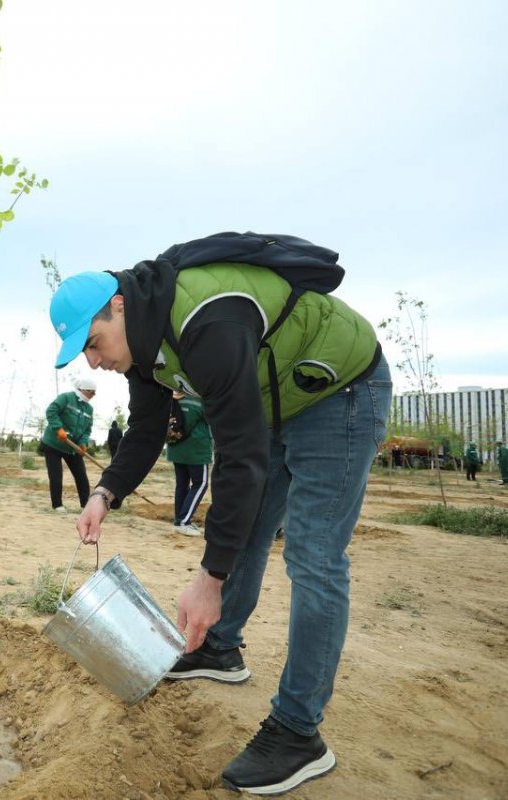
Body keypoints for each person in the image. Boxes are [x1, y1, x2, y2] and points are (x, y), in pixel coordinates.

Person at [52, 232, 391, 795]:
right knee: (251, 530)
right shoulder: (143, 349)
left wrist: (208, 579)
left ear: (118, 305)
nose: (94, 360)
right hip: (276, 399)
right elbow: (145, 430)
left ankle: (297, 731)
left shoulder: (207, 320)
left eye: (93, 342)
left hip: (340, 391)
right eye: (85, 353)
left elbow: (239, 457)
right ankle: (221, 648)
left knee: (312, 553)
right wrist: (104, 493)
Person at [40, 377, 96, 512]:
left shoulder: (89, 408)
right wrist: (58, 428)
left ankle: (85, 505)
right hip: (53, 444)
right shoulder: (66, 398)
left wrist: (83, 443)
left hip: (72, 447)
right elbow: (51, 411)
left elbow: (87, 429)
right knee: (56, 475)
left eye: (94, 393)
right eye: (91, 392)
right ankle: (57, 505)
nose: (93, 395)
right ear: (82, 389)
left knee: (81, 475)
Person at [166, 390, 213, 537]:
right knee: (201, 483)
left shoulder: (173, 399)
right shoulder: (198, 400)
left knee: (182, 485)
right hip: (196, 451)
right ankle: (183, 522)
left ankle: (179, 520)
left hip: (176, 449)